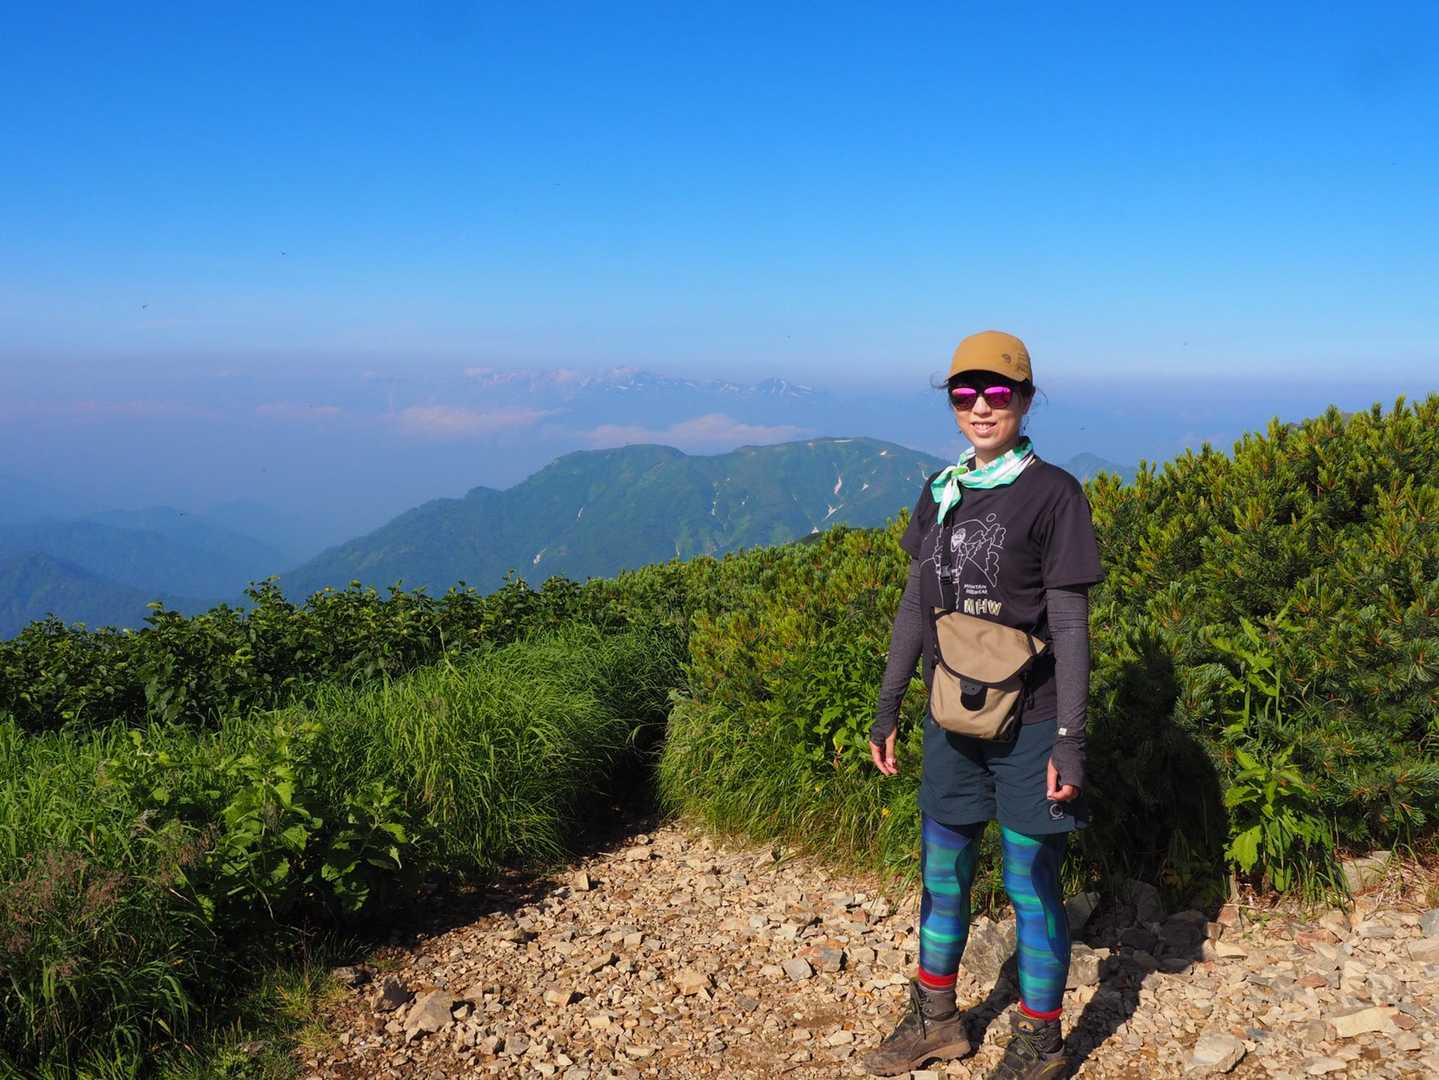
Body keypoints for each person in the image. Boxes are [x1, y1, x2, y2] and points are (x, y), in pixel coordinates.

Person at [862, 331, 1103, 1080]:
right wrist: (887, 707)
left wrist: (1070, 740)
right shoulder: (942, 490)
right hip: (950, 721)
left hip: (1031, 724)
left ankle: (1042, 1042)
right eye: (964, 394)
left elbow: (1070, 626)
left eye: (997, 393)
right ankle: (936, 1019)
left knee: (1031, 885)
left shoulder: (1054, 494)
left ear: (1025, 399)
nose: (980, 407)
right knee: (942, 875)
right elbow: (915, 608)